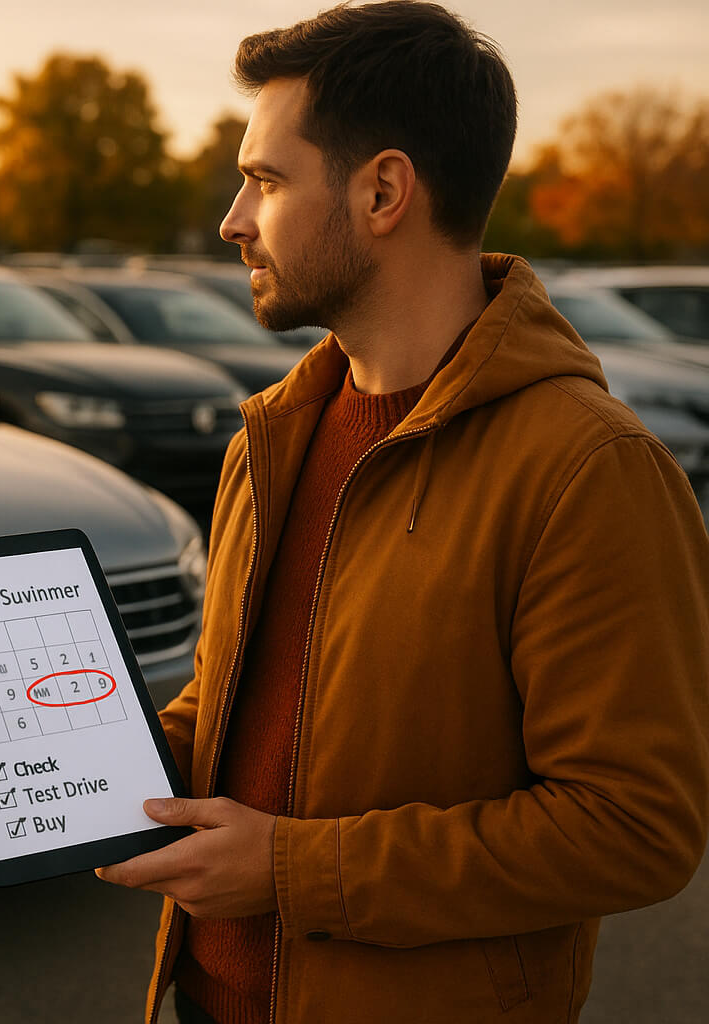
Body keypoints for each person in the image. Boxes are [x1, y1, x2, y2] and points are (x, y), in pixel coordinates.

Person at [94, 3, 709, 1023]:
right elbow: (233, 699)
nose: (232, 220)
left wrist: (295, 871)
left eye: (267, 179)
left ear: (383, 190)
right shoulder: (274, 435)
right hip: (202, 999)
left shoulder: (588, 467)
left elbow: (633, 825)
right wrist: (91, 769)